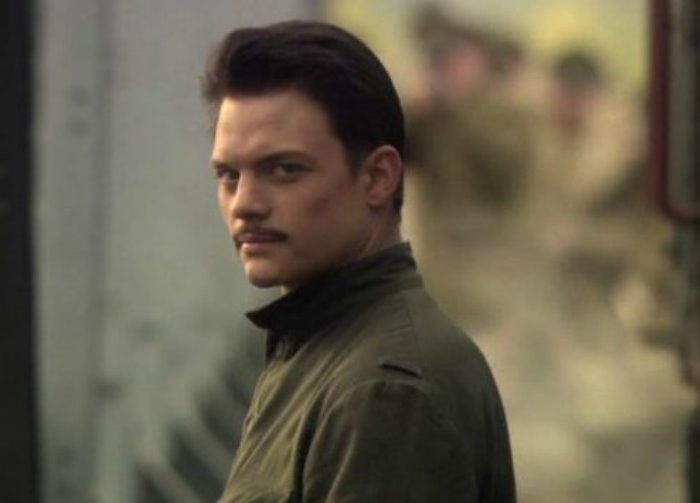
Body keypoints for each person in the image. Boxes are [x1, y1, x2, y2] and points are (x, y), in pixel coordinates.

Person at [202, 20, 515, 502]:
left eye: (284, 169)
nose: (244, 204)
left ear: (378, 178)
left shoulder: (383, 392)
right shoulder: (323, 346)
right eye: (228, 175)